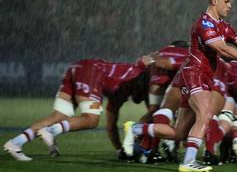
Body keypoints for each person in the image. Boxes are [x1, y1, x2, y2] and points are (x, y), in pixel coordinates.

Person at [122, 0, 237, 172]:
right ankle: (188, 162)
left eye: (230, 2)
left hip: (202, 77)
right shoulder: (204, 24)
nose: (230, 6)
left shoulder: (223, 26)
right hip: (194, 73)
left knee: (179, 133)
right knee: (206, 114)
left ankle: (136, 129)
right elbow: (224, 49)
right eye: (226, 2)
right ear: (214, 1)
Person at [3, 55, 157, 161]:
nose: (142, 98)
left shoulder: (121, 91)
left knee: (58, 116)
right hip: (92, 73)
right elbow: (147, 59)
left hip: (78, 67)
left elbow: (111, 126)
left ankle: (16, 143)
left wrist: (119, 150)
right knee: (91, 120)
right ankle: (51, 131)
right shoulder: (134, 78)